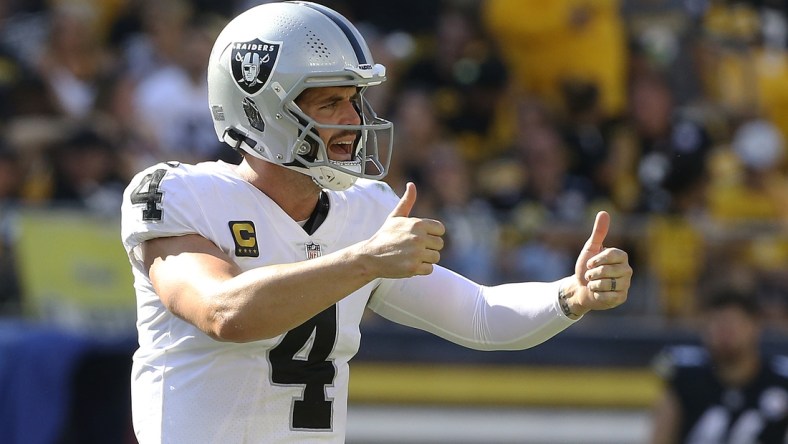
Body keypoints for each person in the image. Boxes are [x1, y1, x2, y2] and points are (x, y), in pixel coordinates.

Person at [120, 2, 633, 442]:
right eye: (331, 102)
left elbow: (480, 314)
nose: (355, 119)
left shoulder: (363, 210)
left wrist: (571, 295)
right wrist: (363, 261)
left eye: (355, 99)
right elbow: (222, 312)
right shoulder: (179, 192)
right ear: (261, 111)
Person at [650, 289, 788, 444]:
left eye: (733, 324)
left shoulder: (781, 380)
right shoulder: (685, 378)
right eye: (717, 324)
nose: (725, 333)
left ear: (755, 326)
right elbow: (660, 438)